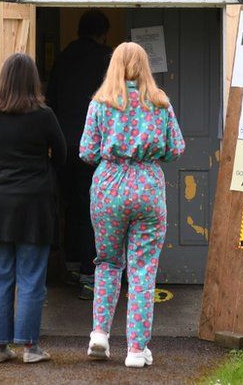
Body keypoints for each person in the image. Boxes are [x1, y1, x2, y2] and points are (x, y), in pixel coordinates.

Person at [78, 42, 185, 368]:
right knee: (142, 271)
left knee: (108, 263)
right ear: (144, 66)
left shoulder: (99, 104)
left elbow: (87, 152)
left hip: (109, 189)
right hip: (148, 190)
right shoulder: (159, 102)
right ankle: (136, 350)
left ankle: (99, 334)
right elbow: (175, 148)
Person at [0, 53, 67, 364]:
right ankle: (30, 348)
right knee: (30, 276)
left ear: (3, 80)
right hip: (33, 203)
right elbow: (63, 155)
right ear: (33, 80)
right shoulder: (44, 115)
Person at [45, 9, 112, 299]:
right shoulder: (106, 59)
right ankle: (89, 273)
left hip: (63, 145)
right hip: (92, 146)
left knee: (71, 204)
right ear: (102, 33)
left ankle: (71, 265)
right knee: (90, 208)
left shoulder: (63, 57)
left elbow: (53, 101)